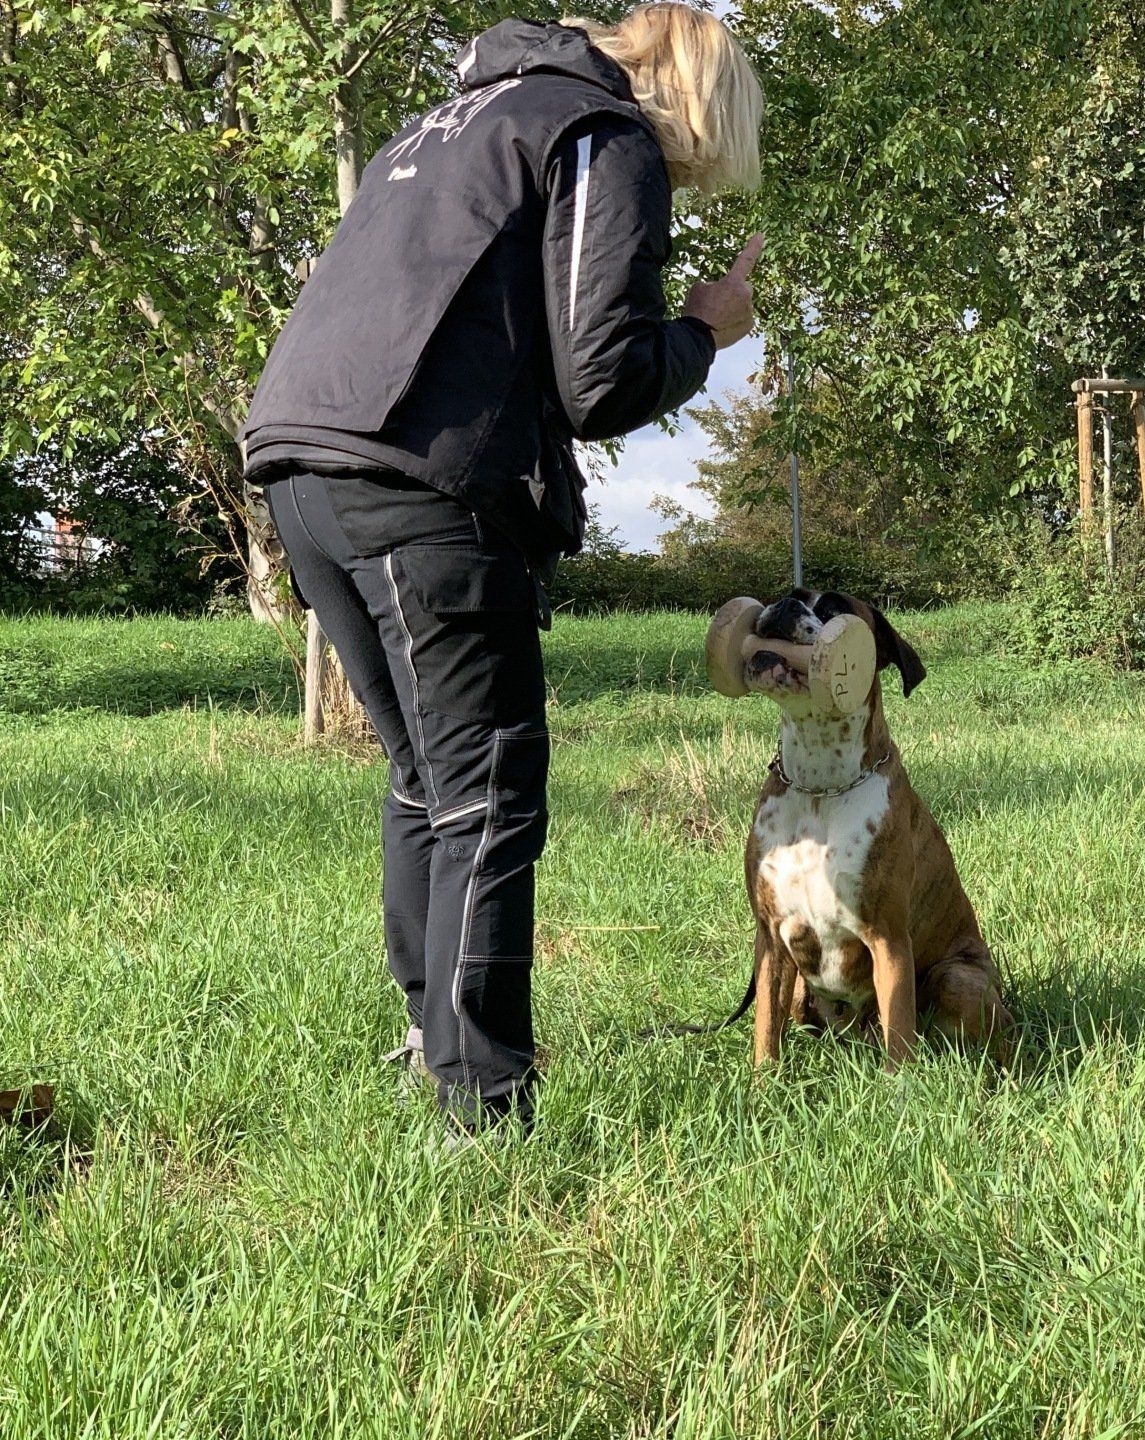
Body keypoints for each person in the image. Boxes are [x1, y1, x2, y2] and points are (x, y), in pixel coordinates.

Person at [241, 6, 764, 1140]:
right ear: (700, 99)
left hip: (299, 464)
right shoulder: (600, 134)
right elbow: (602, 381)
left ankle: (435, 1044)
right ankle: (481, 1109)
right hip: (416, 482)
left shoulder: (452, 122)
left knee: (428, 779)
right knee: (485, 791)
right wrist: (706, 330)